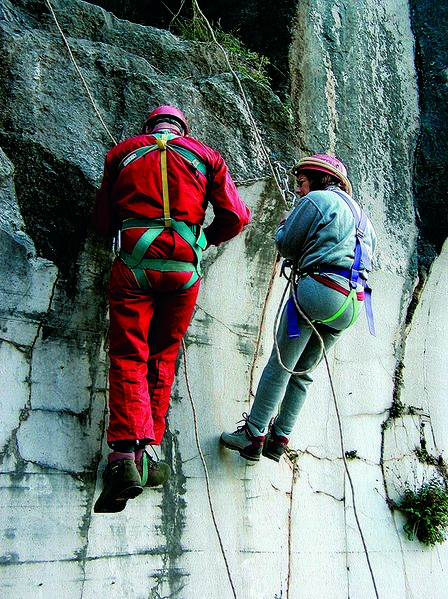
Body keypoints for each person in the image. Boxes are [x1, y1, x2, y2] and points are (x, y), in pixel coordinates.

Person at [92, 105, 251, 512]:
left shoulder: (122, 153)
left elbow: (103, 224)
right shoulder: (206, 156)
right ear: (182, 129)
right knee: (162, 355)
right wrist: (203, 240)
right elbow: (236, 216)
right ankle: (151, 451)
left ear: (149, 128)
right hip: (184, 273)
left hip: (134, 269)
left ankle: (124, 456)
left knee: (129, 353)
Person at [221, 154, 376, 463]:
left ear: (320, 179)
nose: (298, 190)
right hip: (351, 304)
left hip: (318, 291)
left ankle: (253, 435)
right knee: (303, 373)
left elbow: (287, 246)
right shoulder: (362, 218)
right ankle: (279, 437)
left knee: (282, 364)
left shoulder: (317, 200)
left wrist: (284, 226)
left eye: (302, 182)